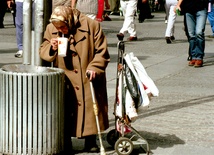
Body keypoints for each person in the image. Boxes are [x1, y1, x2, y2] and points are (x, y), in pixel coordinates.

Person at [39, 6, 110, 153]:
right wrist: (52, 48)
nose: (61, 30)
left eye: (64, 27)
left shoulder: (92, 25)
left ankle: (91, 140)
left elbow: (101, 51)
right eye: (58, 27)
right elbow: (43, 49)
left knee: (90, 107)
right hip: (65, 76)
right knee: (66, 109)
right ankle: (65, 141)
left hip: (87, 73)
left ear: (69, 20)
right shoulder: (51, 28)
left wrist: (95, 67)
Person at [176, 0, 208, 67]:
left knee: (199, 32)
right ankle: (193, 56)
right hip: (188, 9)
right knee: (191, 34)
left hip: (201, 8)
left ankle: (199, 57)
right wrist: (178, 5)